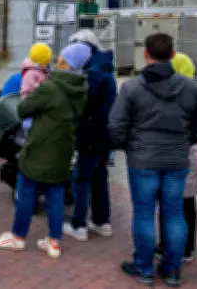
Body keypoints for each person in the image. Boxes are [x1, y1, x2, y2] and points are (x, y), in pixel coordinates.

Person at [109, 33, 197, 287]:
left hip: (142, 160)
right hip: (177, 160)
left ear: (145, 54)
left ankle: (144, 268)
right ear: (173, 54)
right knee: (174, 214)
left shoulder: (131, 87)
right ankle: (172, 270)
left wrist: (128, 147)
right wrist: (183, 143)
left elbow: (115, 124)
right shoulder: (193, 89)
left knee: (143, 214)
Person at [0, 42, 90, 260]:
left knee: (26, 191)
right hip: (63, 150)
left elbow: (23, 108)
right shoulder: (81, 90)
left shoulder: (50, 88)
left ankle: (17, 236)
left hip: (39, 148)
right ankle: (53, 241)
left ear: (65, 61)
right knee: (55, 195)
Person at [152, 52, 197, 264]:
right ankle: (187, 248)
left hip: (163, 155)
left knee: (166, 202)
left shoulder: (158, 92)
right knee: (187, 203)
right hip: (192, 156)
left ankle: (165, 246)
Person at [63, 30, 118, 242]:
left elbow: (83, 104)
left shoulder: (93, 72)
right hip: (106, 134)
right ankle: (102, 221)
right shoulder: (104, 67)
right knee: (100, 177)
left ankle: (79, 224)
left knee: (82, 177)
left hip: (91, 134)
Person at [18, 43, 53, 132]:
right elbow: (27, 91)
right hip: (31, 112)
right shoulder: (31, 73)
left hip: (39, 109)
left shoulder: (44, 71)